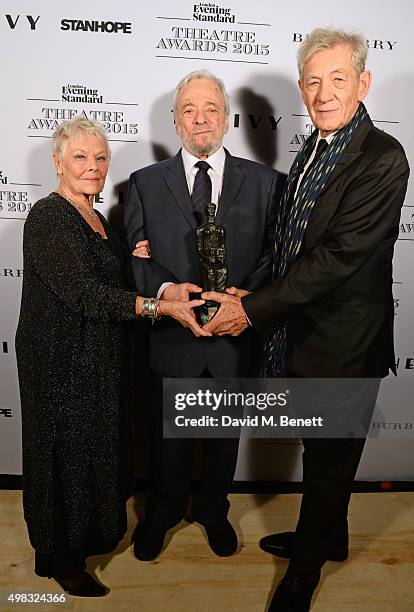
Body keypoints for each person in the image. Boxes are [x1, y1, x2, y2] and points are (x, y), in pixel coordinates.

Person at [202, 28, 410, 611]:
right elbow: (292, 244)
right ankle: (330, 537)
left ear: (363, 82)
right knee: (324, 455)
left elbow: (338, 258)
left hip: (345, 343)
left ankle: (303, 574)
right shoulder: (313, 146)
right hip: (302, 334)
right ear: (301, 87)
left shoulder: (382, 157)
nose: (323, 93)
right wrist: (255, 289)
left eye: (337, 79)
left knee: (326, 463)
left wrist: (252, 309)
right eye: (313, 82)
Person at [15, 117, 204, 597]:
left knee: (93, 456)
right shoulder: (47, 216)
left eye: (100, 158)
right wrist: (161, 307)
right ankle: (60, 560)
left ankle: (82, 542)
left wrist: (140, 262)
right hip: (59, 363)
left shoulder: (99, 219)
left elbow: (116, 275)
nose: (93, 167)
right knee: (63, 457)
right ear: (58, 163)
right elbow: (85, 294)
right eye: (80, 157)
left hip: (99, 362)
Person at [124, 70, 279, 561]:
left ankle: (213, 510)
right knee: (169, 440)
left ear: (227, 116)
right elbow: (132, 256)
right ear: (174, 120)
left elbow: (276, 257)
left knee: (223, 440)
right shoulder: (145, 184)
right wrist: (168, 292)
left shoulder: (267, 183)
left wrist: (245, 299)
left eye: (210, 108)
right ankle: (162, 512)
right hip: (173, 335)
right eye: (189, 109)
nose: (200, 119)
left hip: (235, 334)